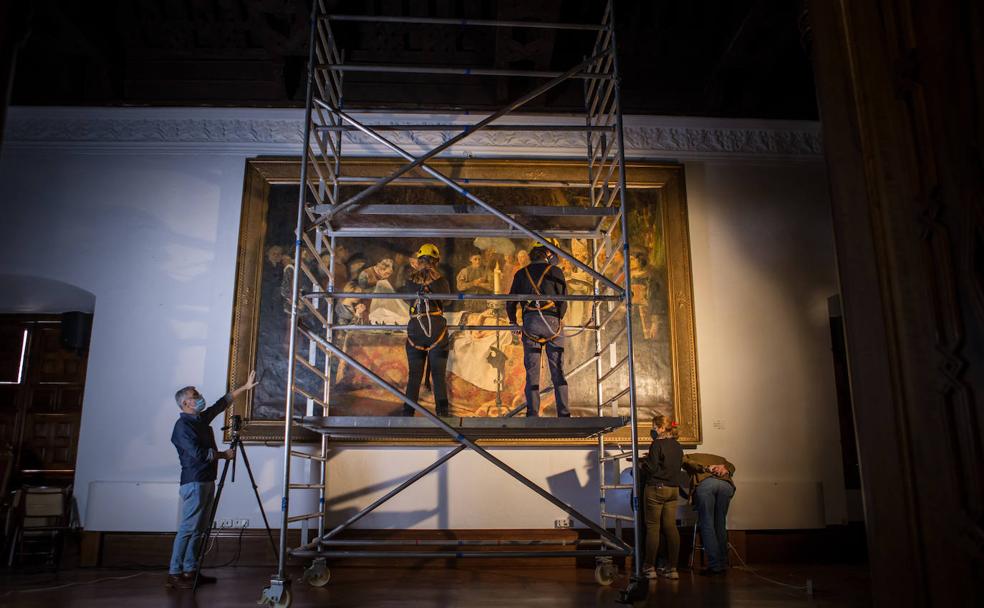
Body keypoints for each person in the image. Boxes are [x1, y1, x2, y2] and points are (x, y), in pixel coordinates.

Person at [167, 371, 259, 589]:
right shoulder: (183, 427)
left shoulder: (199, 419)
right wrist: (223, 455)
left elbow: (221, 404)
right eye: (195, 394)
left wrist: (244, 387)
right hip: (194, 481)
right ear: (186, 402)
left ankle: (191, 571)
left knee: (200, 528)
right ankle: (174, 573)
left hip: (207, 478)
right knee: (188, 528)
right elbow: (198, 453)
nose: (199, 396)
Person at [506, 240, 570, 417]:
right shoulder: (556, 272)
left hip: (530, 323)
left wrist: (513, 322)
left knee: (532, 372)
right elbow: (563, 302)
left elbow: (510, 302)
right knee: (558, 370)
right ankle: (564, 413)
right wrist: (558, 318)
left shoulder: (521, 273)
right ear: (548, 254)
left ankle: (532, 413)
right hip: (552, 323)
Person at [400, 244, 451, 417]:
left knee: (414, 376)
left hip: (415, 329)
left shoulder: (409, 282)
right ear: (436, 261)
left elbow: (408, 300)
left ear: (419, 261)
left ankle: (407, 414)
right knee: (438, 376)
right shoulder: (441, 281)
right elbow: (449, 301)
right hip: (437, 329)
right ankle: (443, 415)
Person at [641, 414, 683, 580]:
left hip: (656, 489)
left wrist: (644, 463)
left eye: (653, 427)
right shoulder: (678, 445)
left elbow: (651, 468)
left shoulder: (656, 443)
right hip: (673, 490)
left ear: (659, 428)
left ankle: (649, 566)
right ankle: (673, 568)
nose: (652, 430)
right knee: (671, 528)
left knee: (653, 528)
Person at [682, 451, 737, 575]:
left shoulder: (688, 456)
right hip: (725, 486)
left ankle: (715, 566)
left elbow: (689, 463)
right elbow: (732, 466)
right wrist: (727, 470)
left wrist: (706, 468)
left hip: (706, 485)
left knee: (707, 523)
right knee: (720, 523)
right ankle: (723, 563)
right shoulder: (721, 458)